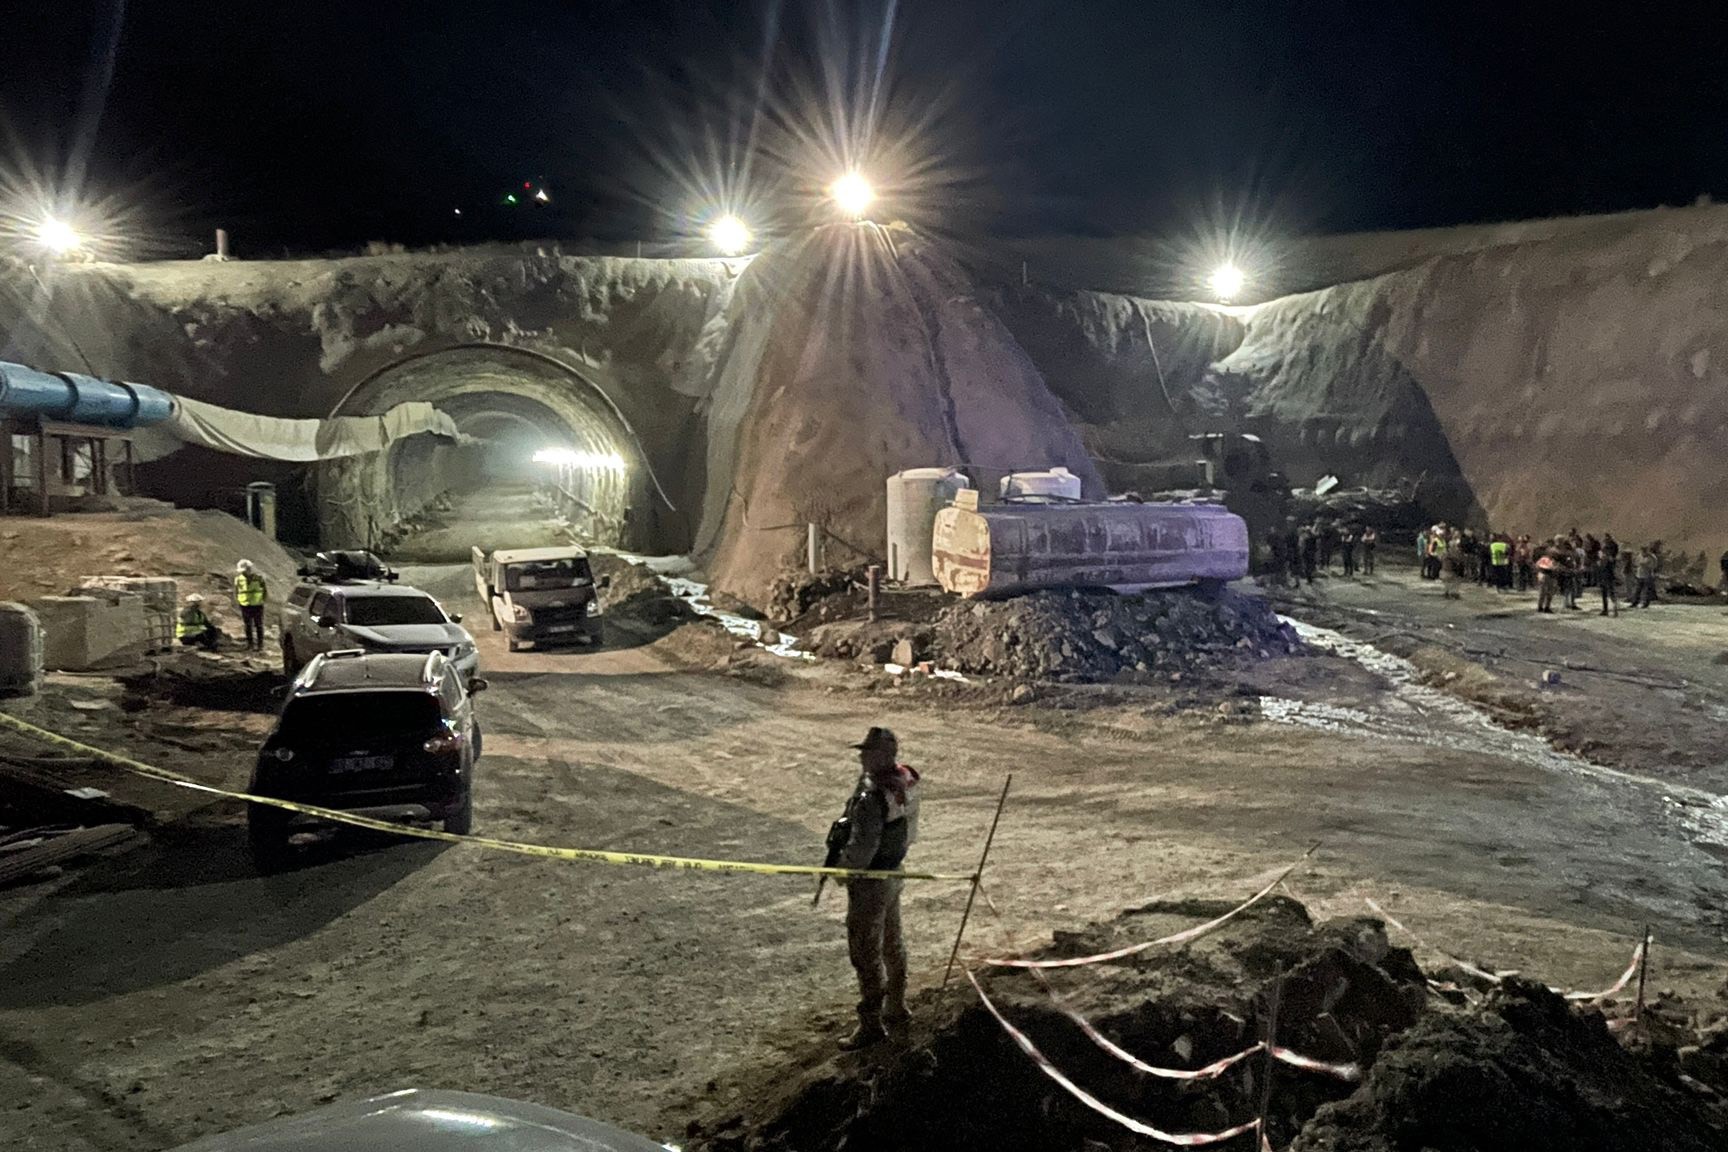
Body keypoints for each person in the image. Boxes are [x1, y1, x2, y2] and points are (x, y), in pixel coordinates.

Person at [833, 727, 920, 1050]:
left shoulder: (872, 797)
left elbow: (862, 847)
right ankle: (896, 1006)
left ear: (882, 756)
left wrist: (844, 870)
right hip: (894, 872)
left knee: (866, 951)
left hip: (870, 881)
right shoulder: (906, 780)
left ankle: (871, 1024)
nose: (861, 757)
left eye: (867, 752)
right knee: (892, 941)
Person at [233, 560, 269, 652]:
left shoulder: (259, 578)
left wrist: (263, 600)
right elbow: (237, 591)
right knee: (248, 625)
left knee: (258, 625)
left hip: (257, 604)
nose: (244, 572)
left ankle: (260, 645)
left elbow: (264, 590)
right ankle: (250, 644)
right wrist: (239, 601)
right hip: (245, 604)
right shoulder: (238, 579)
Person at [1597, 543, 1620, 616]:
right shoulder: (1610, 559)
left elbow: (1602, 568)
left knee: (1607, 594)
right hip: (1608, 577)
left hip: (1606, 577)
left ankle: (1608, 609)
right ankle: (1611, 609)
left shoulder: (1605, 559)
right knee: (1609, 594)